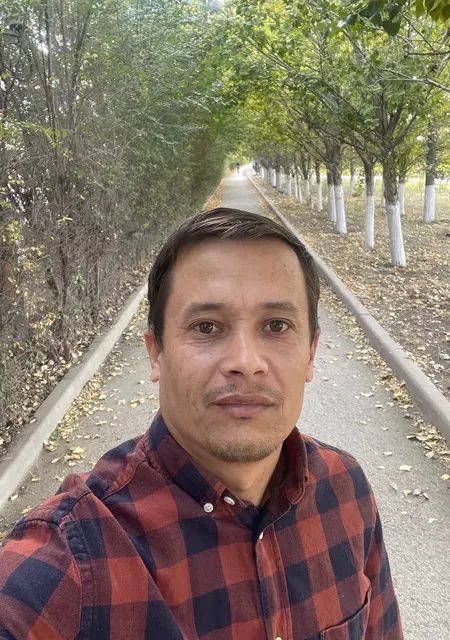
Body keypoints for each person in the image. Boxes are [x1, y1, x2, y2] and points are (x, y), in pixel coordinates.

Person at [0, 208, 402, 639]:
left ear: (310, 353)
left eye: (276, 325)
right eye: (207, 326)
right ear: (156, 353)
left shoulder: (346, 490)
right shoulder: (69, 564)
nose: (246, 362)